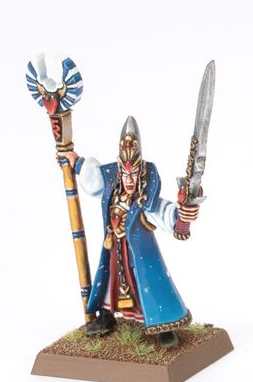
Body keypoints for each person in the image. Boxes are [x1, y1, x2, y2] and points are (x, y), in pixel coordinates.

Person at [61, 116, 201, 347]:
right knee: (109, 282)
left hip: (140, 254)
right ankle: (107, 315)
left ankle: (163, 325)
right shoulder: (111, 185)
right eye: (125, 174)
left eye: (133, 174)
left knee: (147, 286)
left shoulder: (146, 199)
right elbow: (93, 180)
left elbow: (167, 215)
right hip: (113, 247)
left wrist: (182, 216)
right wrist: (76, 162)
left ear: (140, 171)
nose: (128, 180)